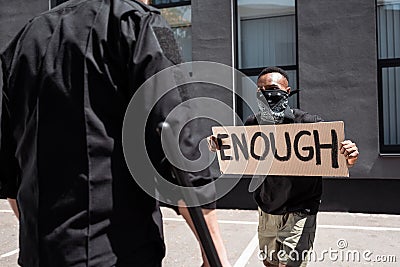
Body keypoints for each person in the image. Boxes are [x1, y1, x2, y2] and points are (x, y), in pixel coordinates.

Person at [0, 0, 194, 266]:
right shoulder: (135, 22)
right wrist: (213, 249)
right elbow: (178, 142)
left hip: (40, 254)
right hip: (117, 252)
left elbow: (11, 173)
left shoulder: (23, 40)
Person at [209, 66, 359, 267]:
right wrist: (219, 145)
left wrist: (349, 156)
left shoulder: (308, 123)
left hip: (300, 211)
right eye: (260, 91)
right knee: (269, 263)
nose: (266, 95)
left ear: (287, 92)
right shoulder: (252, 125)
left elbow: (337, 156)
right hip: (267, 209)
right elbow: (240, 152)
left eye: (272, 88)